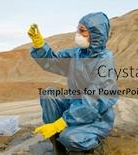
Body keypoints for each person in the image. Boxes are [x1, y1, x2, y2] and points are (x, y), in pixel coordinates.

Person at [28, 12, 118, 154]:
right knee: (48, 94)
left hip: (96, 117)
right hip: (74, 106)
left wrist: (61, 123)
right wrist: (40, 45)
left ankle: (91, 144)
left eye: (82, 31)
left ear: (96, 34)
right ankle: (59, 148)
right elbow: (54, 63)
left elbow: (93, 103)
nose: (77, 34)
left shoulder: (104, 62)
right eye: (77, 29)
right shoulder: (77, 54)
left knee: (70, 137)